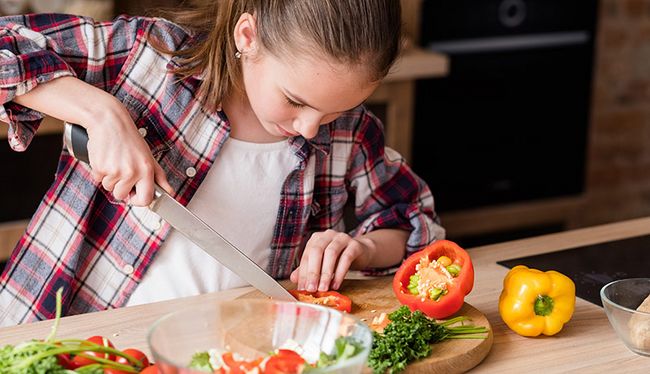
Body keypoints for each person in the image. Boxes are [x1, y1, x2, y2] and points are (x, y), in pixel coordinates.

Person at [0, 0, 444, 326]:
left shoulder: (352, 130)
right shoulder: (146, 57)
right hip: (65, 338)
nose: (312, 128)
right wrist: (102, 114)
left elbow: (409, 223)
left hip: (224, 352)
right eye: (294, 101)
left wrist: (361, 248)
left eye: (334, 111)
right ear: (247, 38)